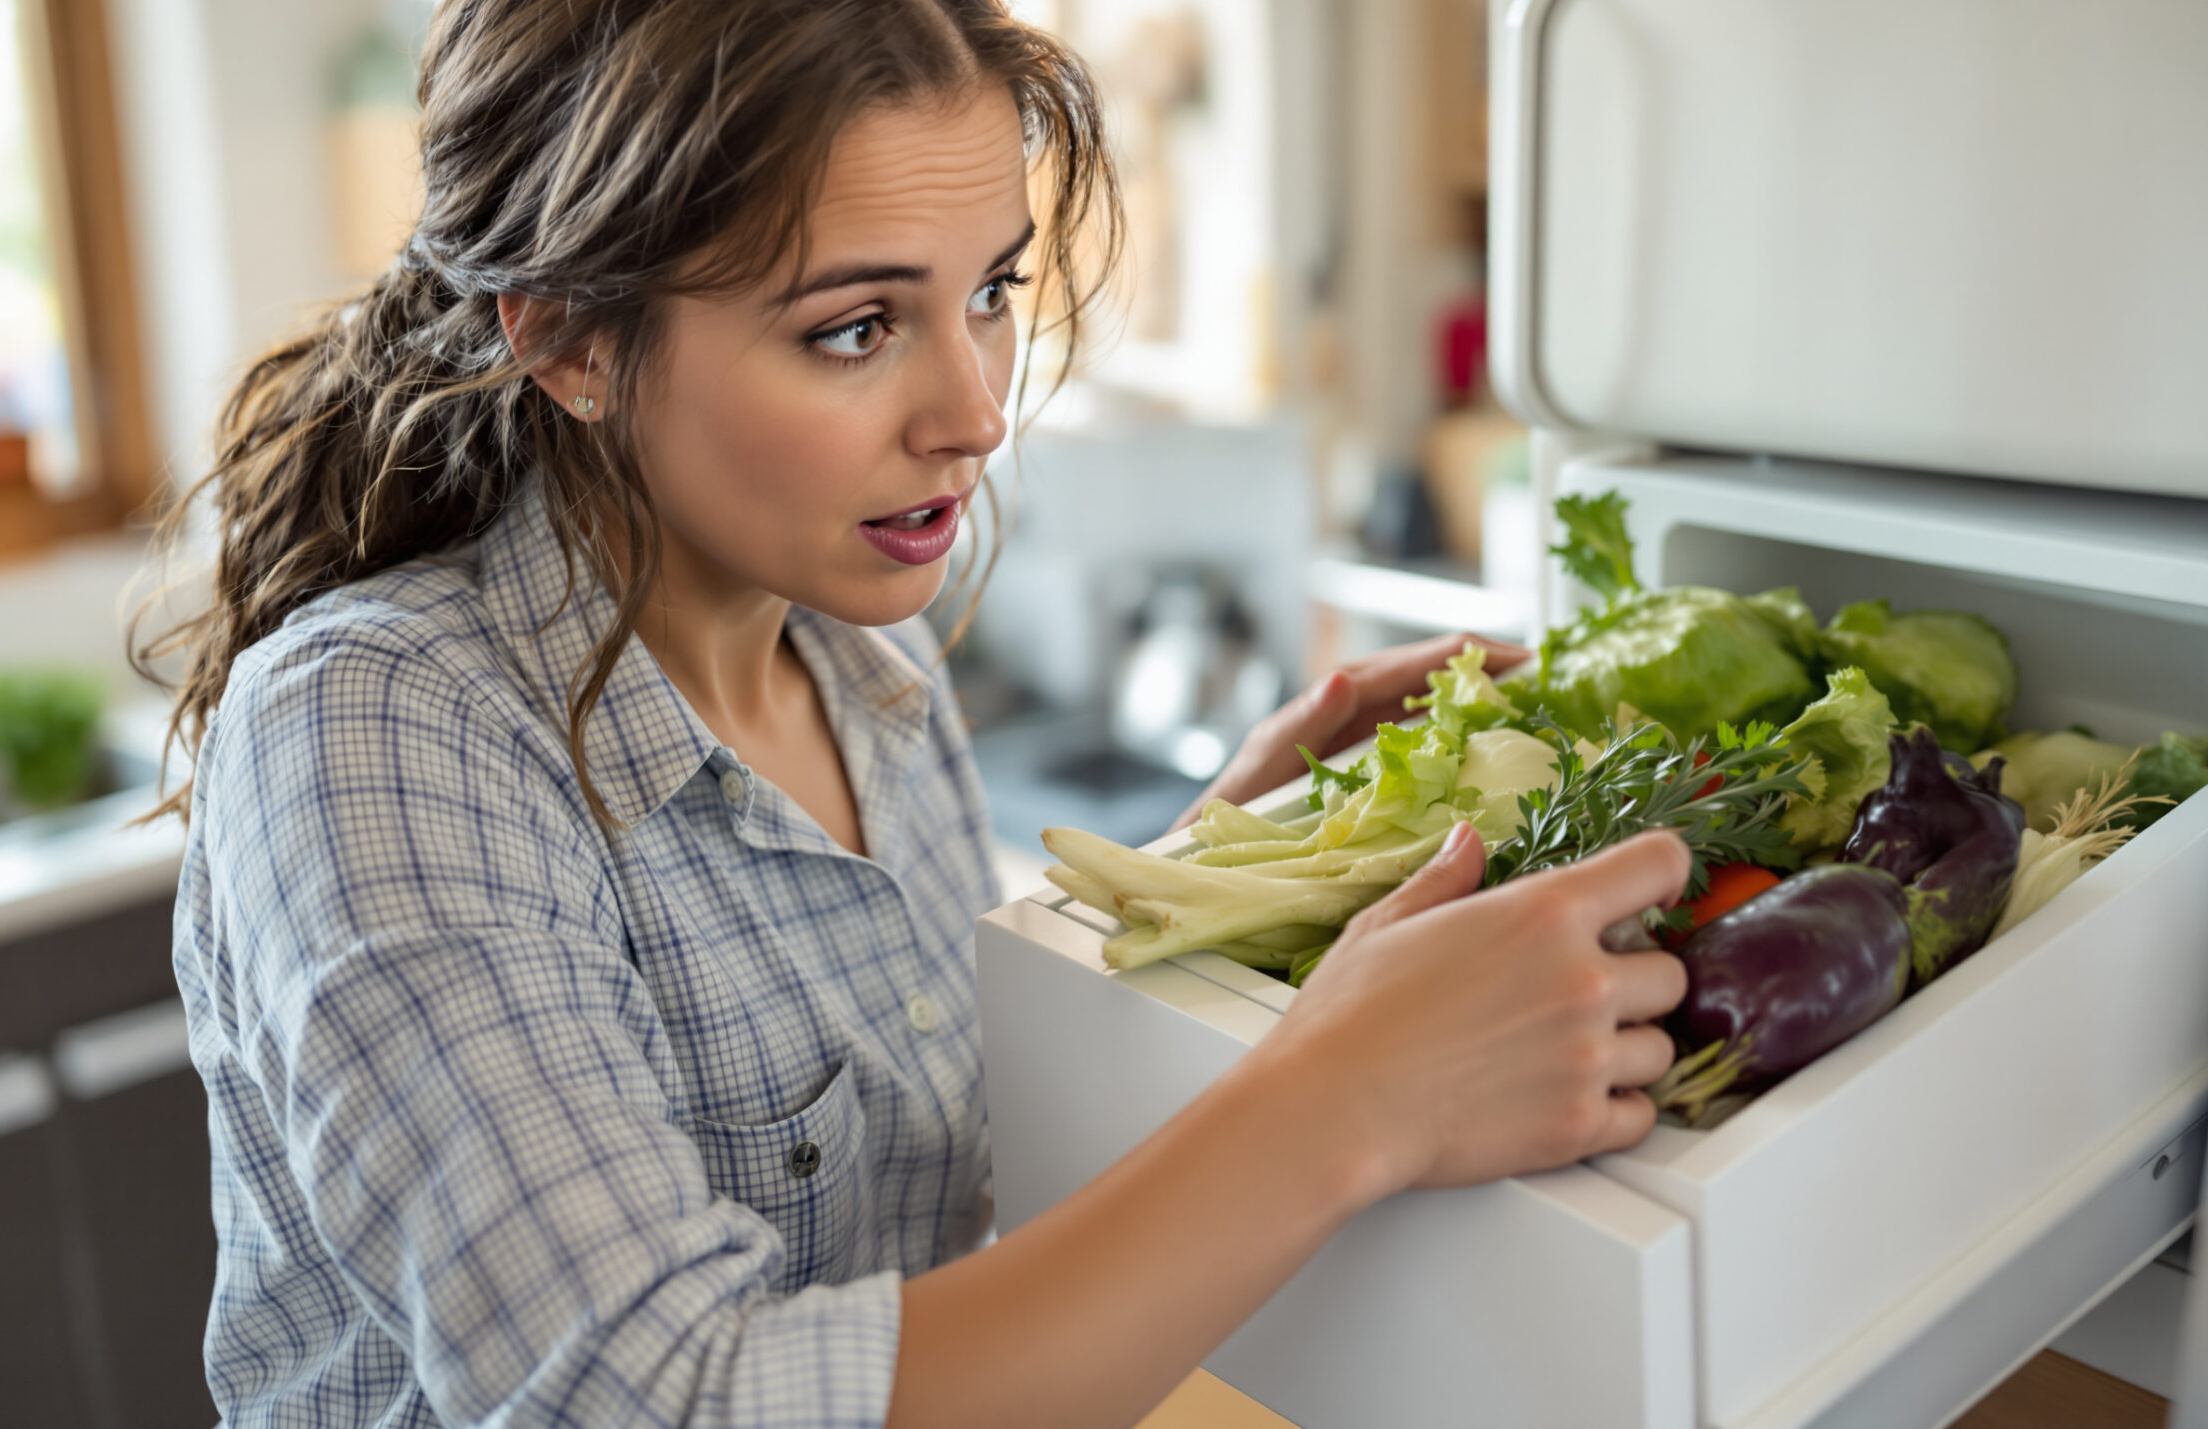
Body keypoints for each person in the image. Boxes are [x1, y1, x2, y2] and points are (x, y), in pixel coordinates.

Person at [135, 3, 1689, 1425]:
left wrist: (1214, 874)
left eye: (994, 292)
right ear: (566, 339)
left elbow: (946, 1184)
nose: (974, 412)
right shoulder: (375, 739)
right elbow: (670, 1395)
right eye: (856, 329)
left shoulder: (864, 664)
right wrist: (1349, 1096)